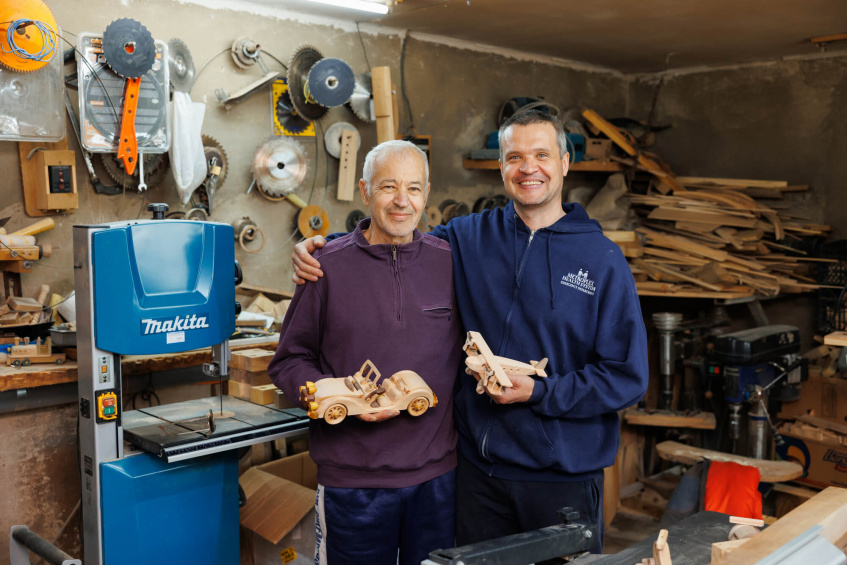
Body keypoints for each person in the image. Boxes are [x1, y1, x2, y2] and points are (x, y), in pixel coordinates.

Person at [291, 110, 649, 554]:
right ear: (501, 167)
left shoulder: (603, 260)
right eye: (514, 156)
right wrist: (322, 250)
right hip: (477, 479)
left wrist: (541, 393)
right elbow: (396, 236)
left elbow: (627, 378)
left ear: (565, 161)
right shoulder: (466, 238)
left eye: (541, 154)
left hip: (561, 481)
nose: (528, 168)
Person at [268, 140, 463, 565]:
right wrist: (334, 394)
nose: (401, 201)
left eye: (413, 188)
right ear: (364, 191)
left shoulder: (451, 264)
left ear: (426, 195)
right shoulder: (325, 267)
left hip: (437, 480)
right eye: (387, 187)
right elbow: (288, 360)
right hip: (351, 483)